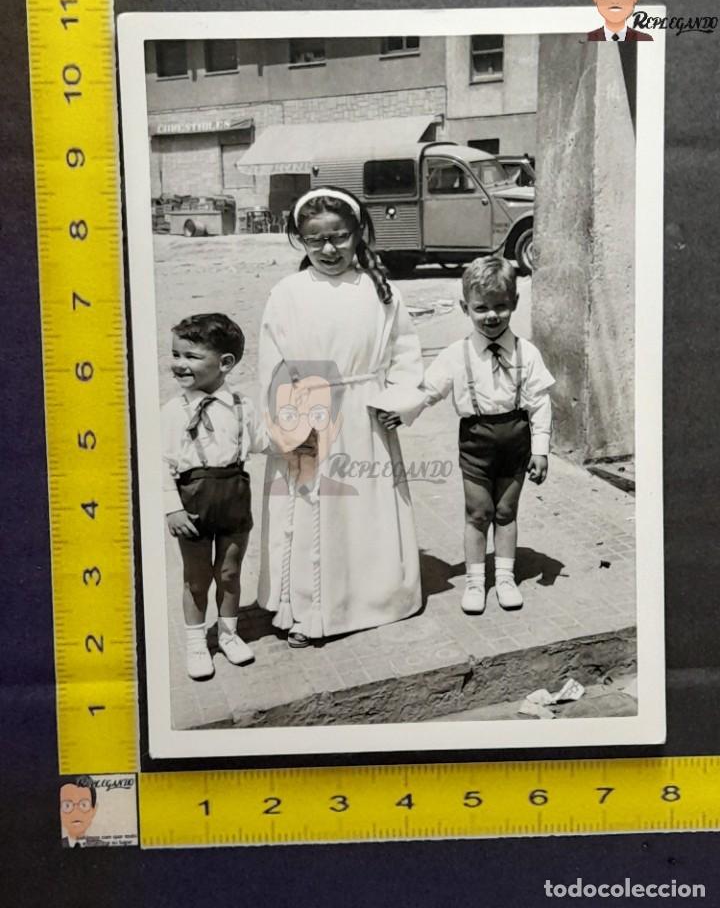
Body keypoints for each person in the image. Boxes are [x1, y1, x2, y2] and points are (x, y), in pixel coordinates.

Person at [257, 186, 424, 647]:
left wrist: (399, 401)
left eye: (339, 237)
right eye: (316, 240)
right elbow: (272, 362)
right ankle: (307, 609)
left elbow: (405, 351)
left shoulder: (380, 290)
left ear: (358, 233)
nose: (329, 249)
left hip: (365, 417)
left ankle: (375, 600)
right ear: (300, 240)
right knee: (315, 508)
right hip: (309, 415)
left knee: (365, 511)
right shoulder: (287, 293)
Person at [395, 257, 554, 614]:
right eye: (481, 308)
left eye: (500, 306)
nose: (491, 316)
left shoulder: (527, 353)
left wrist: (540, 450)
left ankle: (505, 579)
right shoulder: (457, 354)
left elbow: (540, 403)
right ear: (465, 307)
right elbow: (428, 390)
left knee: (506, 511)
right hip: (476, 440)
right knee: (478, 512)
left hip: (516, 438)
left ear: (514, 302)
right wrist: (401, 411)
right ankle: (475, 581)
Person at [161, 313, 268, 679]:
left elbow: (263, 441)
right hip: (193, 503)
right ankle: (196, 643)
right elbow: (159, 464)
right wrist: (172, 509)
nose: (179, 364)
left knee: (229, 571)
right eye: (176, 355)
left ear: (225, 363)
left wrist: (300, 441)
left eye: (191, 356)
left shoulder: (242, 406)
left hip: (235, 497)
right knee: (196, 578)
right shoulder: (172, 412)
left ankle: (228, 634)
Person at [60, 776, 106, 847]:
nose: (76, 813)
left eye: (84, 805)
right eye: (67, 805)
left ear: (94, 810)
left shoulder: (104, 845)